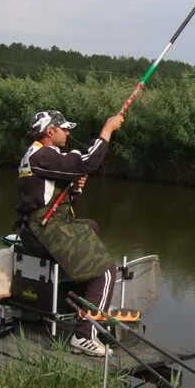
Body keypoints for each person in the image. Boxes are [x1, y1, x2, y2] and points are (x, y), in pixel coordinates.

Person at [16, 109, 124, 357]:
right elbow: (88, 162)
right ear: (49, 131)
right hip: (43, 230)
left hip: (39, 226)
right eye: (64, 128)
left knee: (91, 227)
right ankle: (84, 335)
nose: (68, 132)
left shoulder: (36, 155)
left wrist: (75, 191)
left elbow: (50, 197)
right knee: (106, 272)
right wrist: (107, 130)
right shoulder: (43, 156)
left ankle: (85, 296)